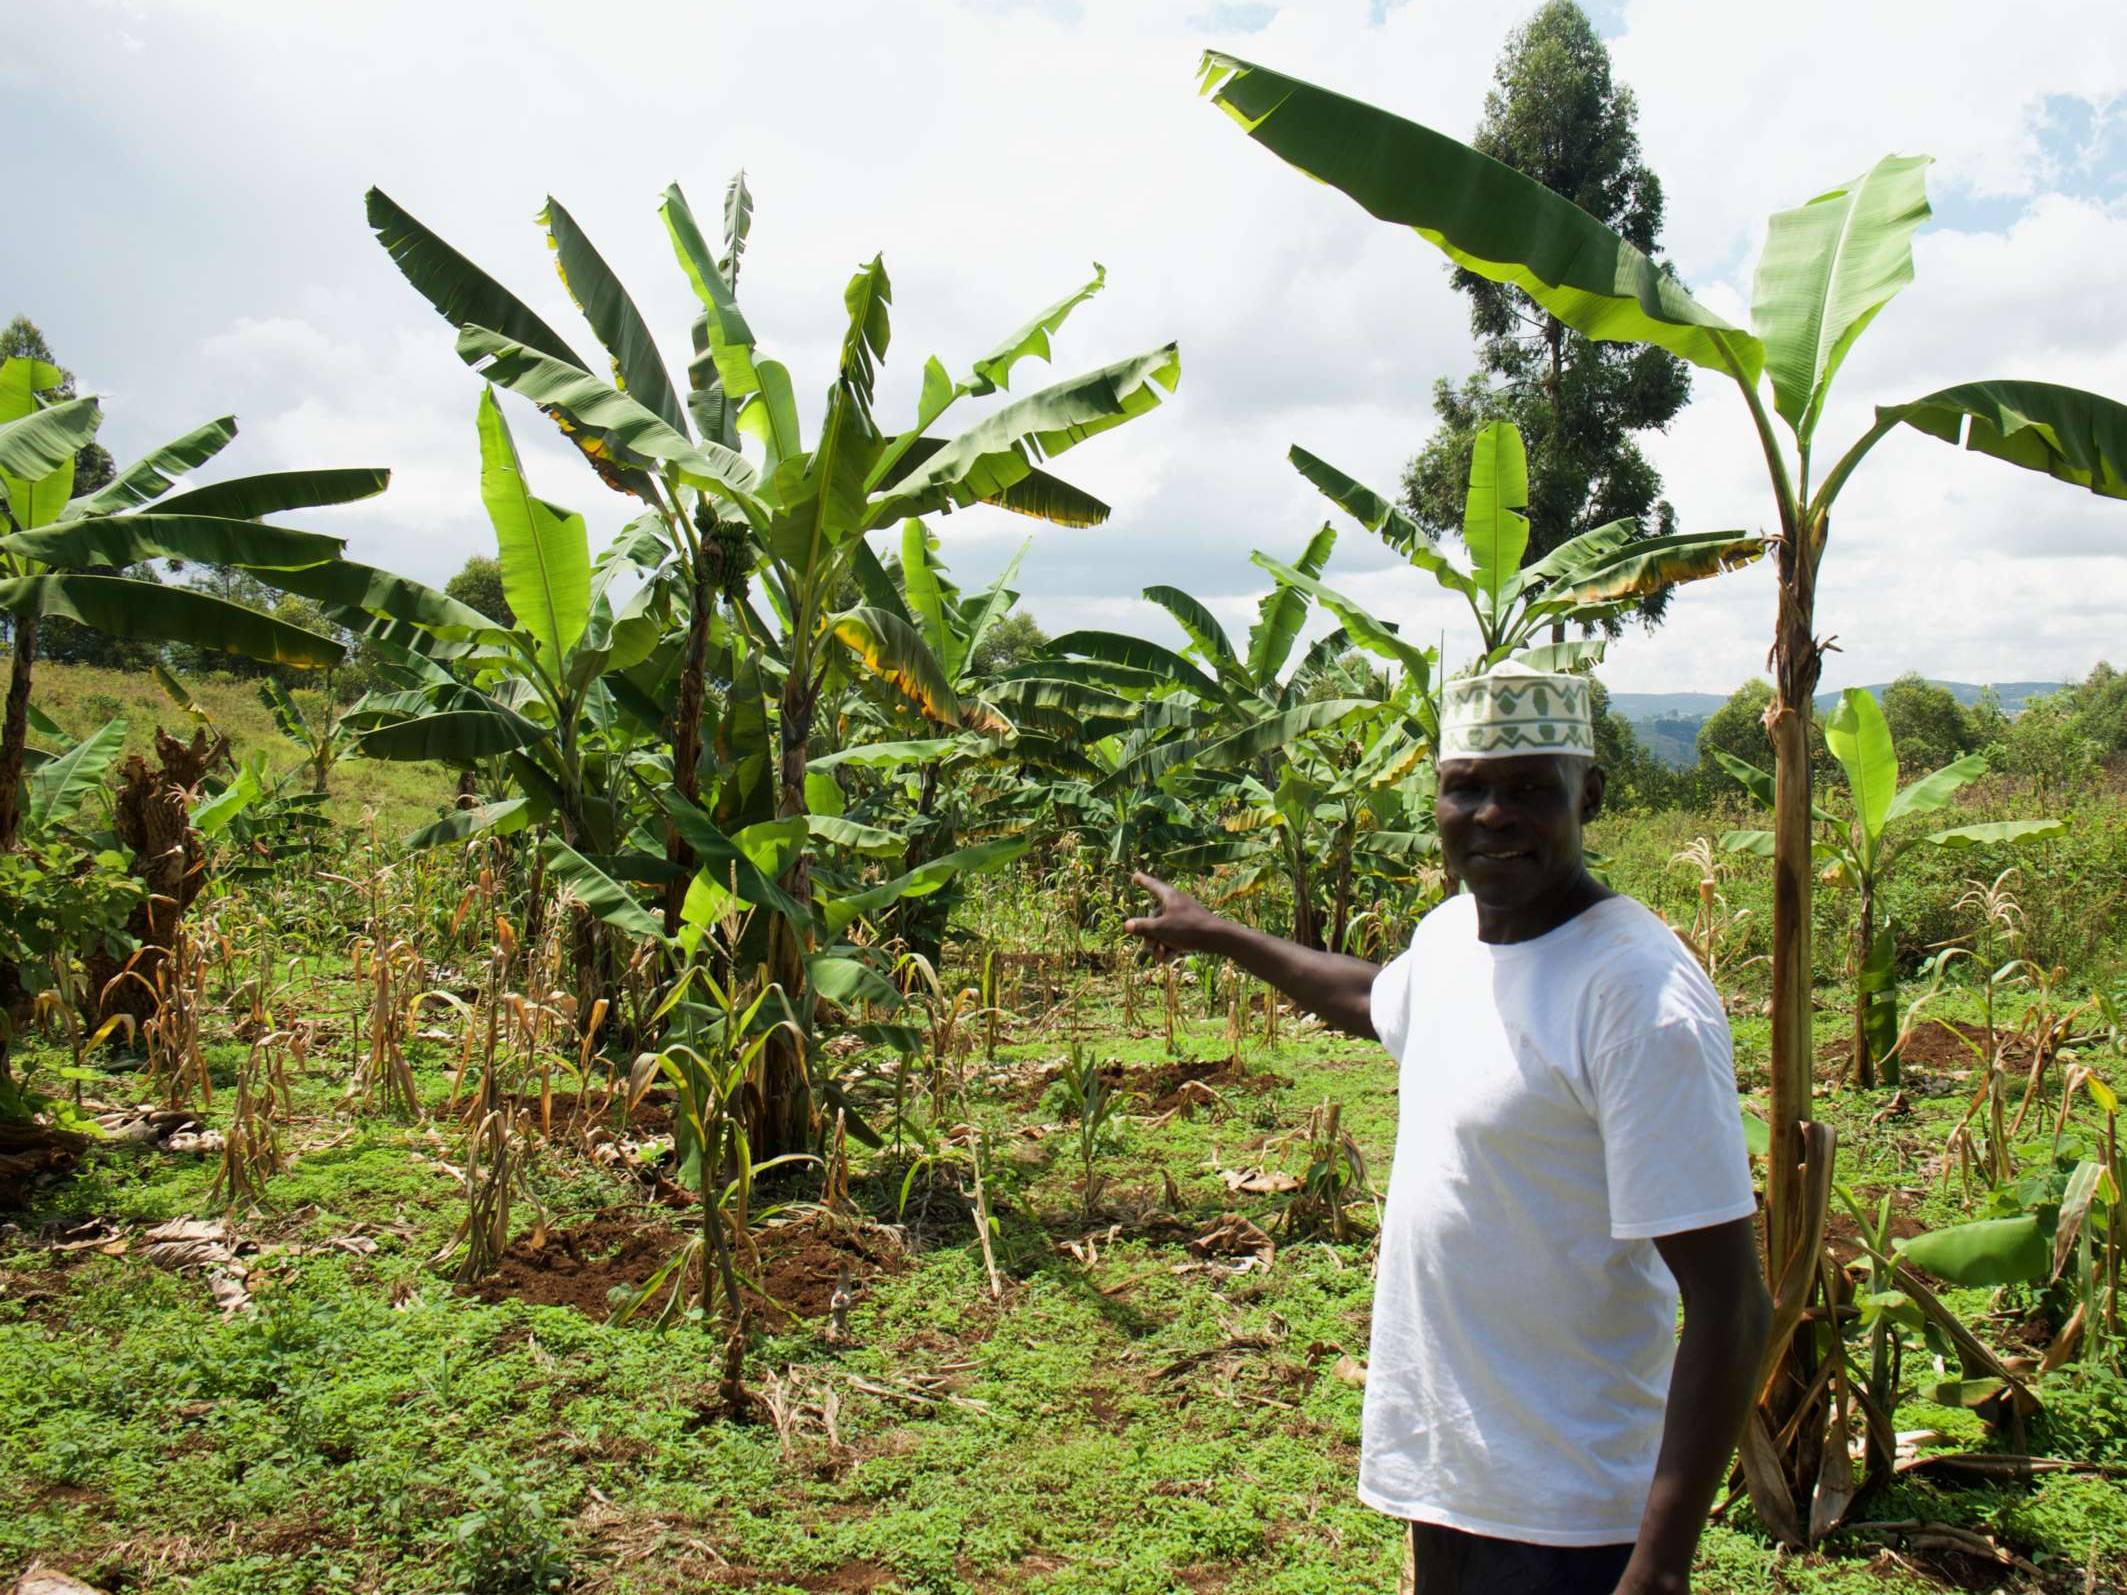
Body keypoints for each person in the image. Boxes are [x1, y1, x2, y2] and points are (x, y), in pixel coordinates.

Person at [1124, 662, 1772, 1595]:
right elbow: (1365, 995)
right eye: (1465, 786)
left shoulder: (1634, 997)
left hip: (1572, 1507)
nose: (1491, 815)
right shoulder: (1451, 936)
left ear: (1586, 793)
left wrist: (1660, 1566)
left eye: (1526, 790)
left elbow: (1730, 1301)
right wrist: (1219, 931)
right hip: (1450, 1479)